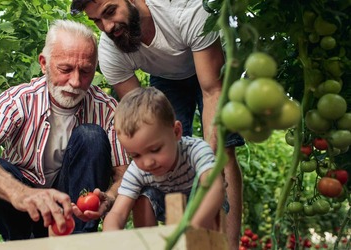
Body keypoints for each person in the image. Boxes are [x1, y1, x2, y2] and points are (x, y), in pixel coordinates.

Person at [70, 0, 244, 248]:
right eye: (97, 20)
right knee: (159, 155)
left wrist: (209, 164)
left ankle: (230, 245)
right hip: (167, 76)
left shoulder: (186, 10)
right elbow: (139, 116)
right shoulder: (110, 50)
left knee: (222, 151)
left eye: (110, 11)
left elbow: (211, 90)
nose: (106, 27)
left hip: (209, 62)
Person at [0, 20, 129, 241]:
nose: (75, 82)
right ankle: (21, 241)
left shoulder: (107, 108)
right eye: (65, 69)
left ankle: (79, 242)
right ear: (44, 64)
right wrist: (22, 194)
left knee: (91, 136)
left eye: (85, 71)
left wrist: (109, 197)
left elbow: (124, 175)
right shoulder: (18, 100)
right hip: (22, 212)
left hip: (75, 211)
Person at [103, 87, 224, 231]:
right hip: (166, 205)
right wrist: (111, 237)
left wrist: (193, 227)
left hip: (203, 208)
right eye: (135, 155)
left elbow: (216, 189)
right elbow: (117, 214)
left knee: (210, 196)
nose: (148, 163)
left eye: (155, 150)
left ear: (176, 132)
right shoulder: (137, 171)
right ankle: (150, 243)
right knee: (142, 197)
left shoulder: (196, 150)